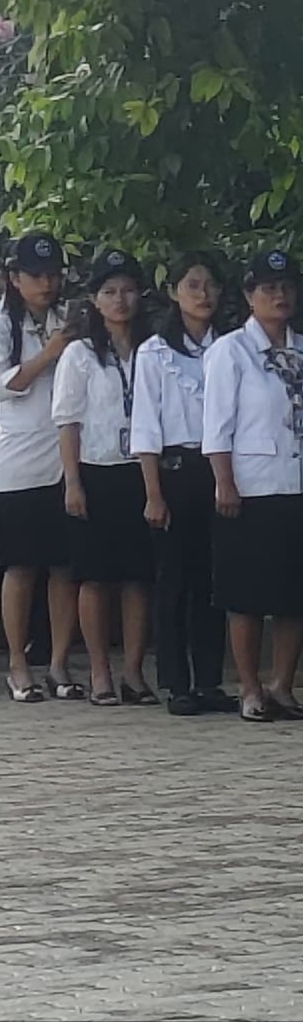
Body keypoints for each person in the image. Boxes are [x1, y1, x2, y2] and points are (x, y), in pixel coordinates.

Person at [202, 249, 303, 723]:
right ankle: (250, 687)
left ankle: (283, 685)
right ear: (249, 295)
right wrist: (224, 482)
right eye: (269, 288)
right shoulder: (231, 350)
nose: (280, 296)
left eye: (286, 287)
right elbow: (218, 425)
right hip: (252, 485)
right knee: (247, 594)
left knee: (296, 592)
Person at [55, 249, 157, 706]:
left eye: (128, 290)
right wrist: (73, 482)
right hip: (96, 471)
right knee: (94, 577)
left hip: (142, 470)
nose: (120, 300)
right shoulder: (79, 354)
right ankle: (99, 671)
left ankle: (133, 671)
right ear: (94, 300)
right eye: (110, 292)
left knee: (137, 577)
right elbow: (67, 422)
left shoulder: (154, 349)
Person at [133, 254, 233, 717]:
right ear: (173, 292)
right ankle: (176, 682)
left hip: (219, 469)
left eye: (210, 285)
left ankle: (210, 679)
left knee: (212, 580)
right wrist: (153, 493)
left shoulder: (230, 347)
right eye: (193, 285)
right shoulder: (154, 352)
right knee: (174, 580)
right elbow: (145, 427)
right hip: (174, 470)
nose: (203, 294)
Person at [1, 231, 82, 702]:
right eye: (36, 275)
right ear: (15, 278)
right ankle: (17, 662)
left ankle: (58, 662)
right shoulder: (3, 323)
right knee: (21, 565)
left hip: (67, 458)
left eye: (53, 275)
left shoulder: (68, 318)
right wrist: (48, 354)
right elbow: (6, 385)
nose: (47, 284)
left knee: (64, 566)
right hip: (18, 460)